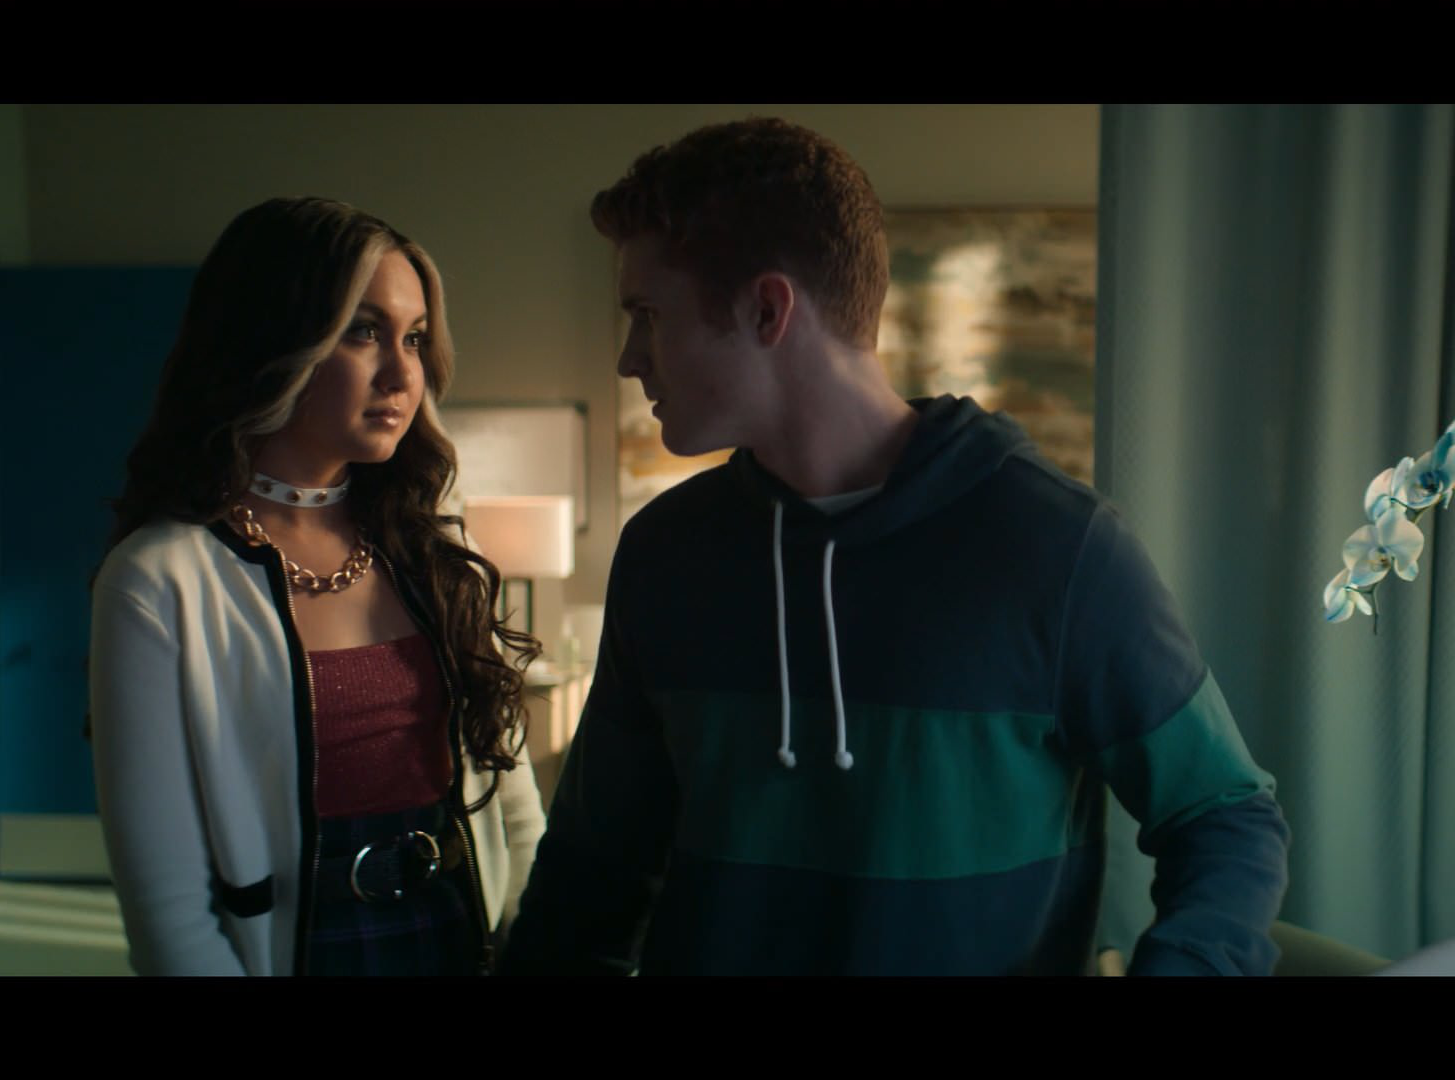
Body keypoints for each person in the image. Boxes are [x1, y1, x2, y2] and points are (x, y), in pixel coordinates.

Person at [500, 118, 1290, 975]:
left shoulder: (1059, 549)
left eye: (648, 316)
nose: (628, 359)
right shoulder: (663, 553)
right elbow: (590, 873)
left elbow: (1225, 815)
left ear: (767, 310)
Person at [89, 196, 545, 975]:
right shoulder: (159, 582)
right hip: (302, 953)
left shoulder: (439, 549)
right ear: (274, 343)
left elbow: (516, 810)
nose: (403, 373)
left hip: (459, 936)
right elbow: (169, 915)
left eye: (415, 338)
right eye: (362, 332)